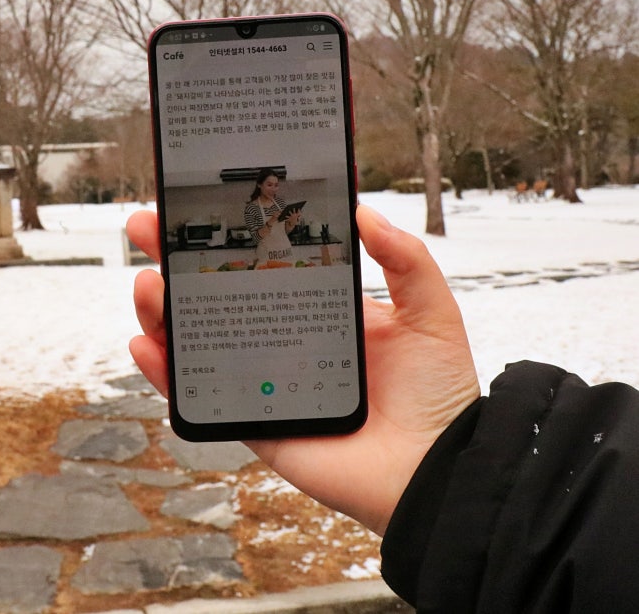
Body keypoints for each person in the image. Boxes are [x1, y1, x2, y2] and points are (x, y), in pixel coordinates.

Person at [126, 203, 639, 612]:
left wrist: (441, 470)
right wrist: (444, 472)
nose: (275, 188)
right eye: (271, 184)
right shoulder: (256, 209)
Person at [243, 168, 302, 265]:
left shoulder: (281, 203)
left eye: (276, 185)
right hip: (266, 260)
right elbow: (255, 239)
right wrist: (272, 220)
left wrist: (292, 223)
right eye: (269, 185)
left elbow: (285, 231)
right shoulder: (251, 208)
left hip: (286, 256)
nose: (273, 189)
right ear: (259, 184)